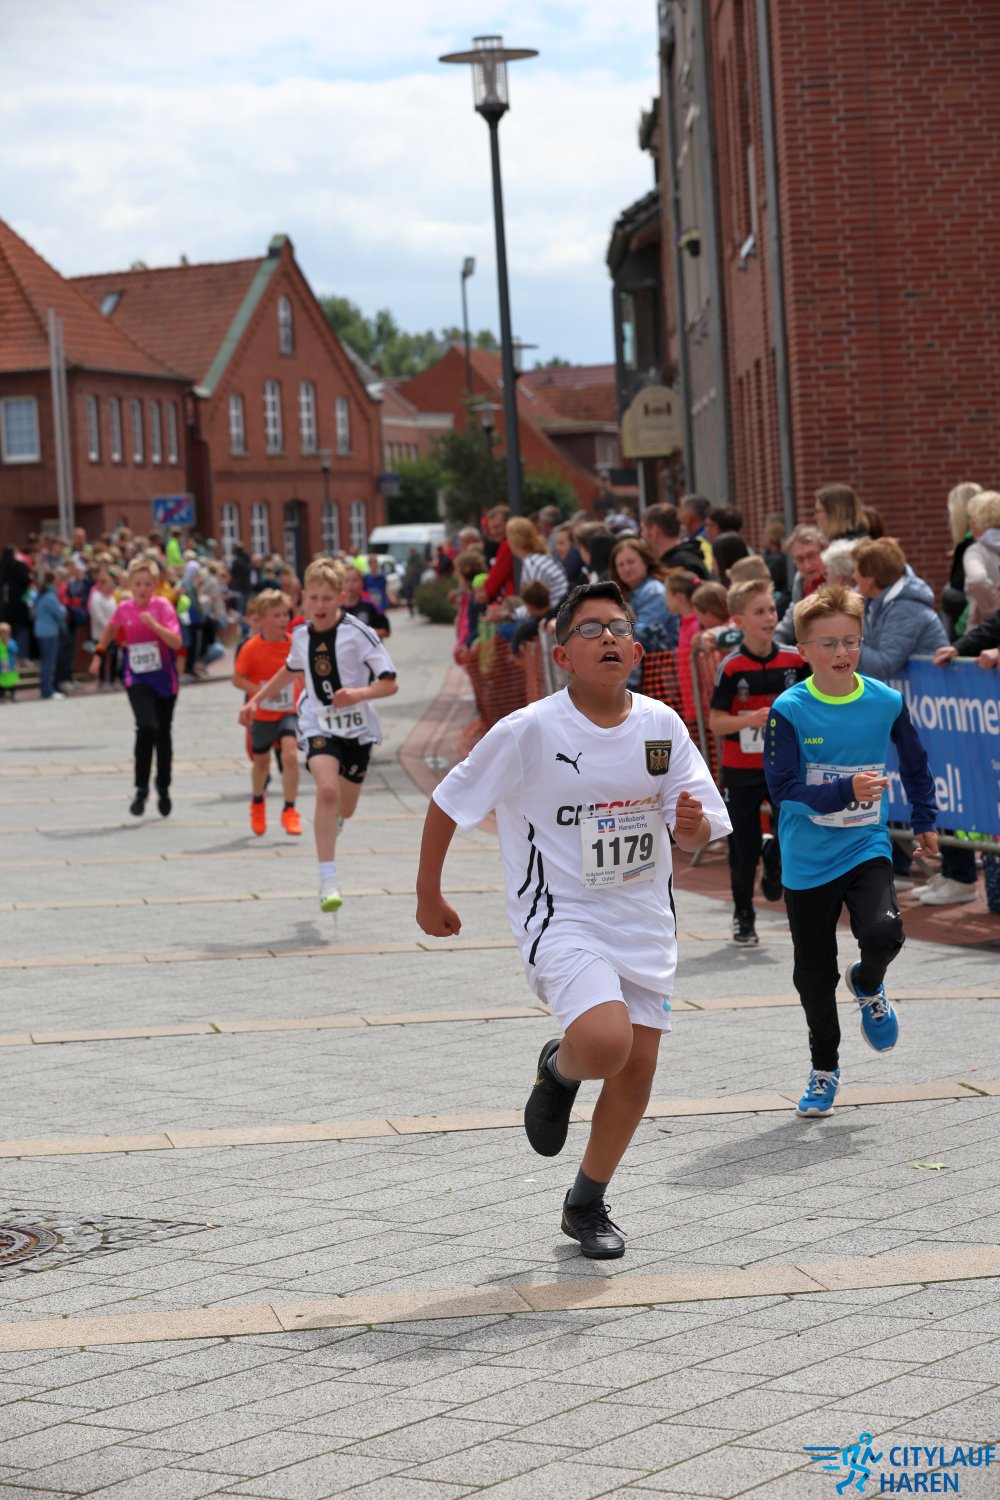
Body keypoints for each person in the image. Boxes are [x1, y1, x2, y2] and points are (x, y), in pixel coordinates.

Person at [416, 581, 730, 1258]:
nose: (608, 637)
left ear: (637, 651)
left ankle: (586, 1202)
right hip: (561, 916)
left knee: (637, 1069)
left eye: (619, 627)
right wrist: (427, 894)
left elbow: (699, 827)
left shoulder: (662, 725)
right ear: (562, 655)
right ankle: (560, 1070)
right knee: (606, 1041)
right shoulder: (528, 731)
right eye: (590, 629)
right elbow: (448, 800)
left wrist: (691, 825)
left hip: (644, 917)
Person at [764, 584, 938, 1118]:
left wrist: (925, 821)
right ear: (803, 650)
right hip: (807, 858)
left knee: (884, 933)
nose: (842, 653)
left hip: (865, 843)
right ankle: (824, 1070)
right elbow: (783, 791)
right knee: (814, 976)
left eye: (851, 641)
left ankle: (867, 980)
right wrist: (846, 790)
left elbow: (915, 762)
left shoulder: (885, 701)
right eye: (828, 644)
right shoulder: (789, 709)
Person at [239, 558, 398, 913]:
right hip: (318, 722)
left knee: (346, 807)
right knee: (326, 790)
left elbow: (390, 683)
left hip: (357, 727)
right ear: (303, 598)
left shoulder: (358, 633)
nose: (320, 605)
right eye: (313, 598)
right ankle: (328, 881)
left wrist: (359, 693)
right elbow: (288, 671)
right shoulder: (300, 635)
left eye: (327, 598)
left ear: (340, 598)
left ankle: (336, 820)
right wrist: (255, 701)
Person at [709, 579, 807, 945]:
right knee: (743, 849)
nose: (769, 618)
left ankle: (775, 860)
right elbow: (716, 721)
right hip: (741, 770)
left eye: (772, 610)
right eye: (759, 612)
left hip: (784, 767)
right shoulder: (731, 667)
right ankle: (744, 916)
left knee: (791, 837)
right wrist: (750, 720)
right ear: (739, 621)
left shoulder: (795, 660)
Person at [89, 558, 182, 816]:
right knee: (146, 726)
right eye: (138, 583)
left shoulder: (162, 606)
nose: (142, 589)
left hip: (164, 679)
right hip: (137, 677)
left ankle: (163, 786)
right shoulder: (124, 608)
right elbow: (109, 630)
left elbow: (176, 642)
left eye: (148, 584)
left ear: (156, 585)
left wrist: (154, 625)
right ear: (129, 585)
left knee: (162, 733)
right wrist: (98, 655)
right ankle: (141, 789)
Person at [232, 589, 302, 838]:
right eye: (276, 615)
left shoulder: (295, 644)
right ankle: (258, 803)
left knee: (290, 755)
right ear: (261, 619)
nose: (283, 619)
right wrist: (260, 693)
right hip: (261, 714)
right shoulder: (251, 648)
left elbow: (302, 673)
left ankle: (290, 810)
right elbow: (237, 679)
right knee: (261, 762)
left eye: (285, 614)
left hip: (289, 710)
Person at [854, 537, 947, 678]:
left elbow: (884, 665)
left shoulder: (905, 610)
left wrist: (848, 643)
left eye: (856, 571)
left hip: (932, 687)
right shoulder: (873, 604)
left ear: (870, 579)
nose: (854, 576)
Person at [608, 537, 678, 654]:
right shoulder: (627, 594)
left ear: (645, 562)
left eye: (631, 562)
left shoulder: (654, 592)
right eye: (621, 565)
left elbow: (641, 635)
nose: (626, 568)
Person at [774, 525, 828, 643]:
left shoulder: (835, 582)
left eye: (812, 556)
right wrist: (774, 642)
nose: (807, 565)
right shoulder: (800, 580)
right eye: (800, 559)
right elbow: (793, 617)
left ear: (824, 552)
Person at [942, 481, 981, 640]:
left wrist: (962, 630)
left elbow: (972, 592)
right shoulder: (979, 544)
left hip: (969, 634)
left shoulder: (970, 547)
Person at [505, 518, 569, 608]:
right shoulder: (541, 558)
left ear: (514, 541)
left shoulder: (532, 564)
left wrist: (511, 613)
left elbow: (535, 606)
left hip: (557, 612)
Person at [664, 570, 700, 725]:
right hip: (690, 699)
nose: (665, 600)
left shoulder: (696, 625)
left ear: (678, 596)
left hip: (699, 701)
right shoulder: (685, 622)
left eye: (667, 595)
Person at [962, 490, 1000, 630]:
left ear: (975, 523)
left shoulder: (976, 552)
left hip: (984, 631)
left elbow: (977, 580)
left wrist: (992, 606)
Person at [640, 503, 708, 579]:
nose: (642, 535)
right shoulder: (679, 560)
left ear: (655, 531)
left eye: (643, 528)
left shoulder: (684, 565)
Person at [32, 572, 67, 700]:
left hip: (41, 631)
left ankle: (46, 689)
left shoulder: (39, 595)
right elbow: (60, 613)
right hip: (49, 632)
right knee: (49, 662)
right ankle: (47, 691)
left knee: (46, 662)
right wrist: (63, 608)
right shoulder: (50, 596)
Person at [342, 564, 390, 637]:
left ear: (362, 583)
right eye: (346, 581)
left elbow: (386, 631)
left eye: (354, 580)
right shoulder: (336, 609)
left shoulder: (370, 606)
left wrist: (366, 634)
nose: (350, 585)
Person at [678, 494, 714, 574]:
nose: (679, 517)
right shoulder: (706, 536)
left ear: (688, 518)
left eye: (681, 512)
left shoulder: (700, 543)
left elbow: (707, 573)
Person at [0, 621, 20, 702]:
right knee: (2, 681)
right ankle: (2, 696)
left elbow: (16, 650)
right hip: (2, 664)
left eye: (6, 632)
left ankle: (13, 696)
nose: (5, 634)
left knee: (12, 680)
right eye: (3, 633)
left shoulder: (11, 642)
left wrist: (8, 644)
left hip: (11, 664)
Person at [402, 548, 423, 617]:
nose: (411, 553)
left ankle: (420, 609)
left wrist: (414, 571)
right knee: (408, 597)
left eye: (412, 552)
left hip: (416, 581)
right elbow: (407, 569)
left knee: (416, 596)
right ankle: (411, 611)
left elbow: (421, 570)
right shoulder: (409, 559)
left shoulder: (418, 560)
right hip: (408, 581)